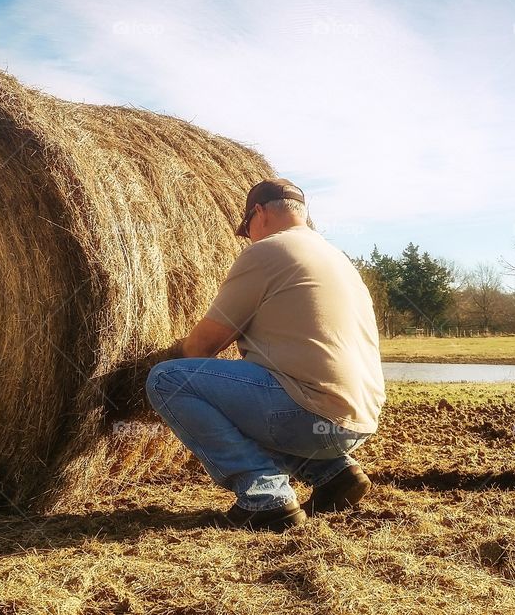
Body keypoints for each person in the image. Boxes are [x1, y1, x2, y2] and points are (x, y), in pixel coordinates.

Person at [145, 178, 385, 532]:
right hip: (357, 422)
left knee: (168, 379)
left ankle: (265, 498)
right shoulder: (336, 257)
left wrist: (151, 357)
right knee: (251, 382)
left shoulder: (268, 251)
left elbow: (201, 348)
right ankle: (333, 473)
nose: (249, 237)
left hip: (311, 415)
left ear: (258, 213)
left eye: (247, 229)